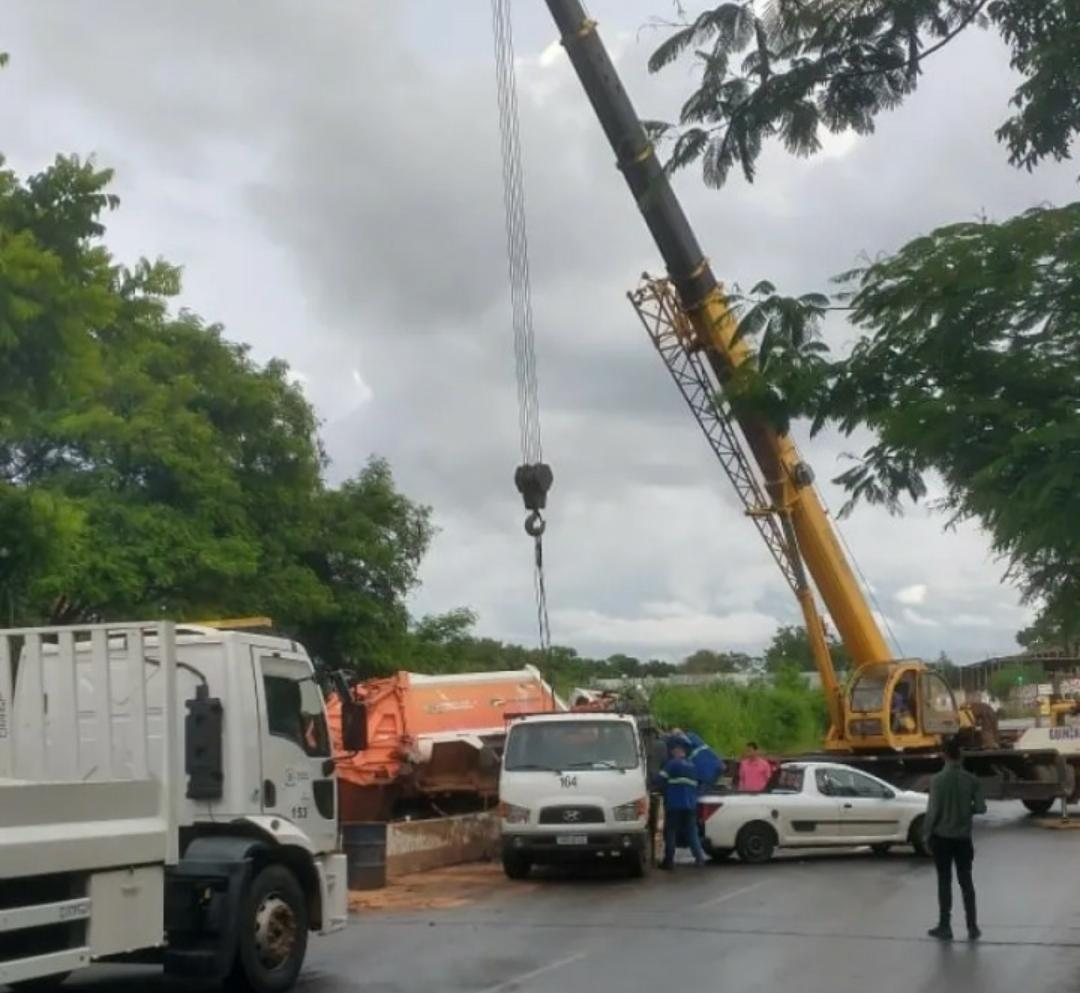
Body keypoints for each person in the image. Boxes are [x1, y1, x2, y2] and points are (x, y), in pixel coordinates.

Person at [924, 736, 986, 941]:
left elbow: (933, 812)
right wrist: (964, 810)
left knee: (944, 882)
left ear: (944, 755)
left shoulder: (937, 781)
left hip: (942, 838)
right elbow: (980, 808)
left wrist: (926, 835)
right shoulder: (971, 780)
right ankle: (972, 926)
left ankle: (945, 926)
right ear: (960, 756)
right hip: (963, 839)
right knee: (966, 882)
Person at [655, 740, 705, 869]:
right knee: (691, 832)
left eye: (673, 750)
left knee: (671, 831)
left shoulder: (672, 764)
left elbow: (659, 779)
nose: (671, 752)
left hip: (674, 805)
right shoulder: (693, 767)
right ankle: (699, 859)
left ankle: (669, 861)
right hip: (690, 805)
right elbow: (698, 785)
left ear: (677, 750)